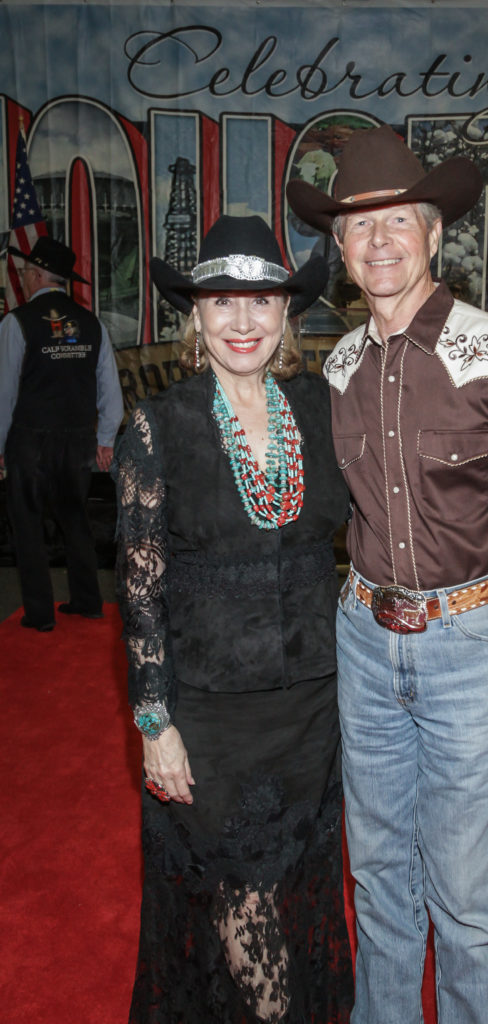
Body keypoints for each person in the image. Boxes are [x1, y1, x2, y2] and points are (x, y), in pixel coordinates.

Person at [287, 124, 488, 1024]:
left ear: (433, 233)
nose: (377, 241)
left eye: (395, 221)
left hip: (477, 649)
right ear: (337, 249)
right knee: (376, 877)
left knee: (463, 892)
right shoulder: (334, 369)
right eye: (356, 227)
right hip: (366, 647)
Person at [114, 215, 353, 1024]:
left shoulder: (321, 409)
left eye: (260, 301)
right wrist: (154, 722)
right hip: (210, 715)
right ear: (196, 317)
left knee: (289, 887)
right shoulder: (161, 424)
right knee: (240, 890)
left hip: (314, 706)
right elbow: (140, 588)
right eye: (222, 302)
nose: (243, 322)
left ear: (287, 312)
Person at [0, 236, 123, 631]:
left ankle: (39, 615)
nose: (23, 276)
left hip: (29, 438)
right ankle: (88, 601)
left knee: (28, 524)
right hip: (77, 439)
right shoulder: (92, 324)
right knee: (75, 519)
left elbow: (4, 392)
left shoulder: (15, 322)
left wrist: (0, 445)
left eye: (25, 272)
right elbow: (110, 390)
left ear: (36, 275)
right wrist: (105, 440)